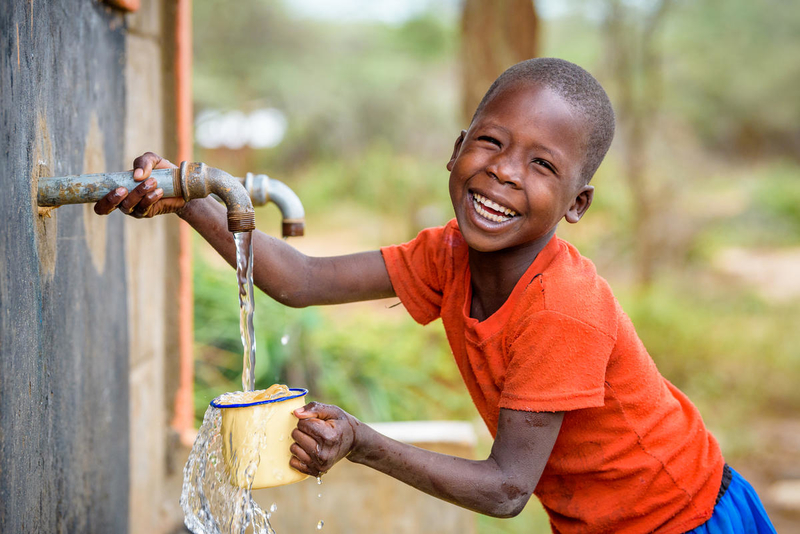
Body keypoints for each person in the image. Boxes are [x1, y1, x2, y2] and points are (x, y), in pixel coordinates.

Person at [95, 58, 776, 534]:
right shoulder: (449, 253)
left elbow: (508, 489)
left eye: (543, 165)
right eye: (491, 142)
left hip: (685, 520)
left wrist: (362, 443)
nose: (505, 172)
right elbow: (298, 281)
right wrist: (189, 199)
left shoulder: (563, 309)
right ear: (456, 150)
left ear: (578, 204)